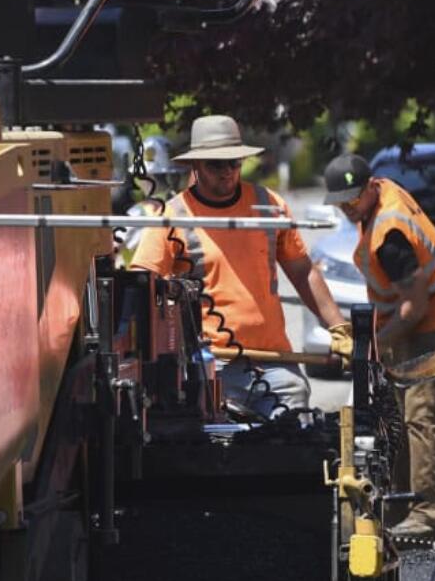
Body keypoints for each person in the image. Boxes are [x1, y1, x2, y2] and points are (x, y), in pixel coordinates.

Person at [130, 115, 349, 418]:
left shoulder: (268, 205)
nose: (227, 172)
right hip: (211, 363)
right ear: (196, 166)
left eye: (234, 163)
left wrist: (338, 327)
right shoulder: (173, 216)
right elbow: (141, 284)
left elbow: (302, 271)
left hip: (274, 360)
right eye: (216, 165)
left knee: (297, 436)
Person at [323, 154, 435, 538]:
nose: (347, 208)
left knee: (421, 412)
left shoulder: (390, 236)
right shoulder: (380, 195)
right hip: (414, 315)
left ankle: (429, 512)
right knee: (394, 411)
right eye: (341, 202)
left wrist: (370, 345)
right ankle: (401, 502)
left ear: (371, 187)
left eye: (352, 199)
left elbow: (414, 306)